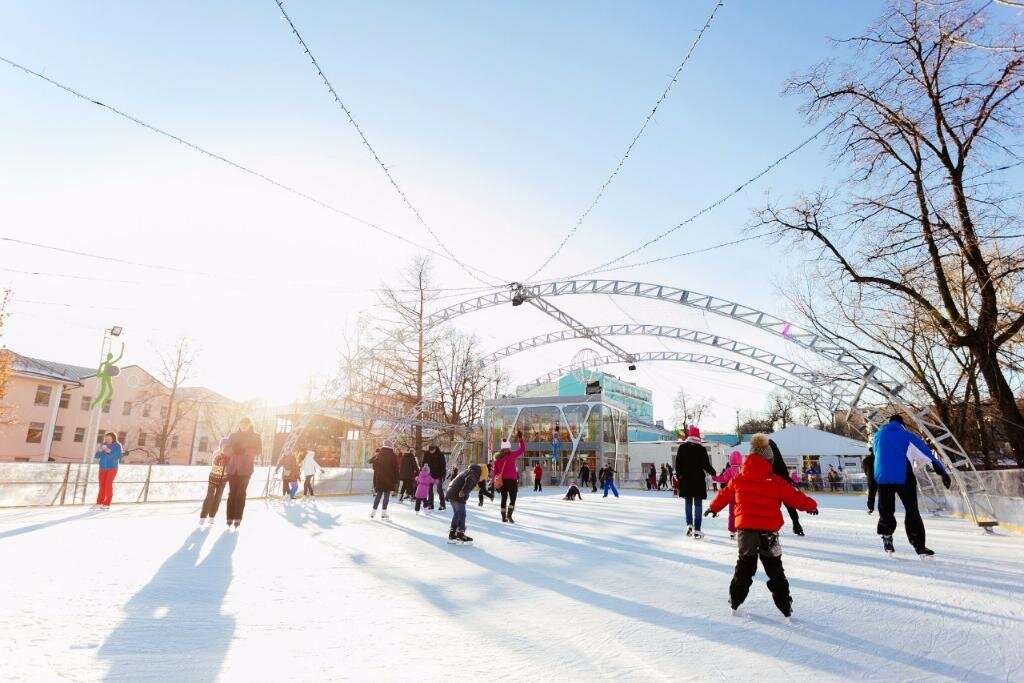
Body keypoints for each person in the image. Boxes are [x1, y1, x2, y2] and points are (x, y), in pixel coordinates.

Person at [706, 434, 819, 621]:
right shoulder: (775, 481)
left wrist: (713, 507)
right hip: (769, 533)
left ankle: (734, 601)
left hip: (745, 532)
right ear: (769, 460)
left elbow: (724, 494)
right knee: (775, 569)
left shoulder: (739, 479)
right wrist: (811, 505)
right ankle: (785, 607)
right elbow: (794, 496)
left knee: (744, 568)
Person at [872, 415, 951, 556]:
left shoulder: (877, 436)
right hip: (903, 475)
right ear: (902, 424)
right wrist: (943, 472)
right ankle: (919, 545)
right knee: (912, 510)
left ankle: (887, 536)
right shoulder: (906, 435)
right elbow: (926, 455)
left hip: (882, 477)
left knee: (886, 509)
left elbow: (877, 455)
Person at [675, 426, 715, 539]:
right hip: (698, 481)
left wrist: (680, 477)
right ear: (698, 436)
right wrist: (714, 473)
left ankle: (689, 525)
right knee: (698, 504)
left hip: (686, 480)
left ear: (689, 435)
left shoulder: (682, 448)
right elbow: (706, 465)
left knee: (688, 502)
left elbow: (678, 465)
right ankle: (697, 529)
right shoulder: (701, 449)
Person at [225, 416, 262, 528]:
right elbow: (225, 450)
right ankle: (229, 517)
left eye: (246, 423)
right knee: (232, 494)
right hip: (232, 469)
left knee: (241, 493)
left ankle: (237, 518)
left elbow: (259, 451)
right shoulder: (233, 436)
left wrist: (245, 450)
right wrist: (233, 450)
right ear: (239, 424)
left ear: (250, 424)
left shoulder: (256, 436)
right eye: (242, 423)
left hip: (245, 469)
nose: (243, 425)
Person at [445, 462, 488, 544]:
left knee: (457, 514)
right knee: (461, 514)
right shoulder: (474, 474)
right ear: (482, 473)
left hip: (451, 492)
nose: (482, 479)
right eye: (483, 477)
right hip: (458, 494)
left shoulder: (468, 471)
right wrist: (463, 492)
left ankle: (452, 533)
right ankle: (460, 534)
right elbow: (469, 481)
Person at [769, 440, 805, 536]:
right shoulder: (778, 457)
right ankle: (796, 525)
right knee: (790, 506)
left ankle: (772, 528)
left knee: (772, 506)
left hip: (776, 484)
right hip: (784, 482)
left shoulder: (768, 457)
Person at [493, 431, 526, 523]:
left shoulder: (497, 459)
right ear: (508, 447)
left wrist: (495, 482)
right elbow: (522, 449)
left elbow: (495, 472)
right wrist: (520, 439)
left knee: (503, 498)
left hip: (502, 481)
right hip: (512, 480)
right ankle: (509, 516)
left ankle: (503, 517)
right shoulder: (511, 455)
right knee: (513, 498)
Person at [711, 450, 743, 538]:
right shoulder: (743, 469)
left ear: (730, 459)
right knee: (741, 512)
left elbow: (723, 479)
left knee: (732, 513)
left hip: (732, 495)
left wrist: (714, 477)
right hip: (742, 495)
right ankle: (742, 528)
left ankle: (732, 531)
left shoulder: (729, 470)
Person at [199, 437, 230, 523]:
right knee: (209, 497)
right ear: (221, 445)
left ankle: (212, 516)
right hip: (213, 478)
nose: (225, 447)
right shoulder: (217, 453)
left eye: (227, 445)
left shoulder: (230, 455)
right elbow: (217, 462)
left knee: (218, 498)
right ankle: (203, 516)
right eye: (224, 445)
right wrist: (226, 456)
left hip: (223, 480)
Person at [92, 431, 123, 510]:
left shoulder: (117, 445)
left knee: (108, 484)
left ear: (113, 438)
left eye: (109, 438)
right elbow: (97, 456)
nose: (107, 440)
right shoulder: (103, 445)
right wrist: (100, 450)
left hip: (112, 468)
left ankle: (107, 503)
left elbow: (118, 456)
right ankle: (99, 503)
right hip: (102, 467)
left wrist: (108, 450)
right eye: (106, 438)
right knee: (101, 485)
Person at [370, 441, 400, 520]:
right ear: (391, 446)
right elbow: (396, 468)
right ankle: (383, 513)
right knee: (386, 495)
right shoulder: (393, 456)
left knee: (379, 495)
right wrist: (396, 479)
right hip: (389, 478)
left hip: (380, 478)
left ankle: (373, 511)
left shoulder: (379, 454)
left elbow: (374, 465)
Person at [424, 445, 448, 511]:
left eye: (432, 450)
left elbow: (443, 465)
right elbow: (424, 463)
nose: (431, 452)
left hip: (438, 475)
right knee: (429, 490)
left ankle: (442, 505)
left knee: (439, 490)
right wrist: (424, 471)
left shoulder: (440, 455)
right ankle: (430, 505)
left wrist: (443, 476)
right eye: (430, 451)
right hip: (430, 475)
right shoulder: (426, 454)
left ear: (435, 449)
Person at [863, 448, 877, 514]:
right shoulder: (879, 458)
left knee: (871, 494)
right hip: (880, 478)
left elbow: (865, 471)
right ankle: (884, 509)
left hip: (871, 479)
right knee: (883, 494)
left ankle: (870, 508)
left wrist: (868, 474)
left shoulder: (866, 460)